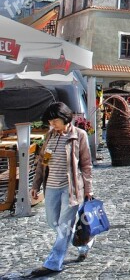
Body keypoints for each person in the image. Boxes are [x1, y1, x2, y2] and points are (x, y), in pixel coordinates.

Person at [30, 102, 94, 275]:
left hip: (71, 188)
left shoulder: (78, 135)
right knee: (53, 222)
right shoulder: (49, 136)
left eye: (55, 121)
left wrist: (88, 188)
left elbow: (86, 165)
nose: (52, 124)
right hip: (51, 186)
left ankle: (53, 263)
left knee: (65, 225)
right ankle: (85, 242)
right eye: (50, 122)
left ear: (65, 118)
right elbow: (42, 163)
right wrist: (35, 185)